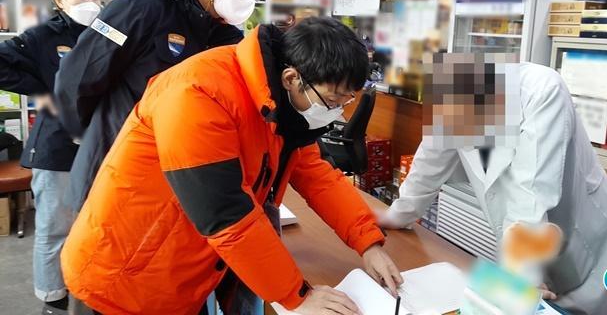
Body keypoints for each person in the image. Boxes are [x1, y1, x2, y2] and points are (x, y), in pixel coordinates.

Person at [61, 18, 403, 314]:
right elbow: (227, 214)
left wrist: (368, 243)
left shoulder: (280, 104)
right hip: (123, 276)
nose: (338, 111)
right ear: (291, 78)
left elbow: (317, 175)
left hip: (180, 272)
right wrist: (298, 296)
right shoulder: (198, 93)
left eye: (347, 100)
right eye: (332, 100)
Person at [378, 54, 607, 315]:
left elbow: (531, 195)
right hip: (533, 248)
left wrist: (518, 280)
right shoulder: (456, 94)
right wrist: (399, 214)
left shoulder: (543, 90)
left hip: (590, 243)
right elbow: (430, 159)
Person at [54, 0, 268, 212]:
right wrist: (89, 134)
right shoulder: (140, 11)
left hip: (179, 180)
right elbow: (78, 76)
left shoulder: (228, 39)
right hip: (116, 168)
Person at [0, 0, 102, 315]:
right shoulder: (44, 36)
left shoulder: (106, 34)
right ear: (59, 0)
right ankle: (53, 298)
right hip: (57, 148)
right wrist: (43, 89)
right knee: (55, 228)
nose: (90, 3)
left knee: (94, 225)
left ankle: (88, 288)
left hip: (98, 146)